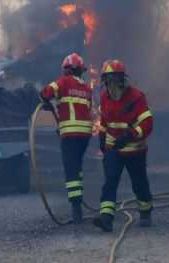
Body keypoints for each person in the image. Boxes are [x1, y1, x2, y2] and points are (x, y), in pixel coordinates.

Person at [93, 59, 154, 232]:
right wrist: (102, 140)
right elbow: (105, 120)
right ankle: (106, 217)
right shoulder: (104, 97)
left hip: (135, 150)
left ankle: (145, 211)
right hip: (114, 150)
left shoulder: (136, 97)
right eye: (108, 79)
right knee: (110, 182)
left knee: (139, 183)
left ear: (122, 79)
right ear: (104, 81)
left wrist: (130, 135)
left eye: (115, 79)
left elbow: (147, 123)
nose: (111, 83)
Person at [40, 53, 93, 223]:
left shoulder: (63, 82)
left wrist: (46, 100)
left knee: (71, 171)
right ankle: (79, 201)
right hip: (84, 135)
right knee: (77, 168)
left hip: (70, 135)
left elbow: (46, 92)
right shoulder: (86, 88)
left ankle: (76, 209)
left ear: (67, 70)